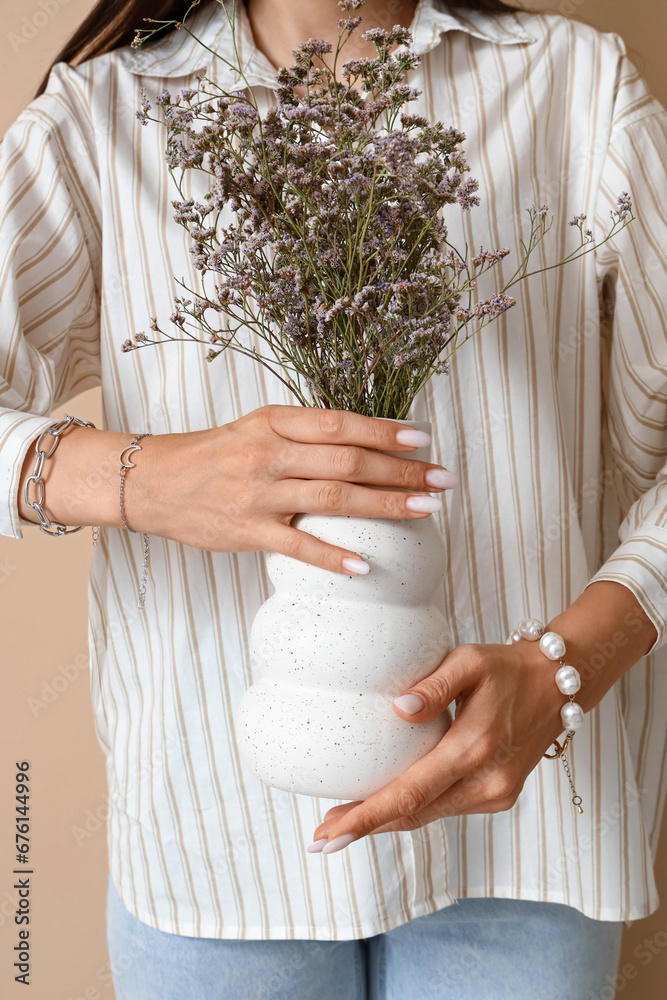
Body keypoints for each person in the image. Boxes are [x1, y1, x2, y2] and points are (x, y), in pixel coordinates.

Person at [2, 0, 666, 996]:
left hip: (526, 824)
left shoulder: (577, 90)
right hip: (215, 848)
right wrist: (150, 478)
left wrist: (564, 668)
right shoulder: (103, 116)